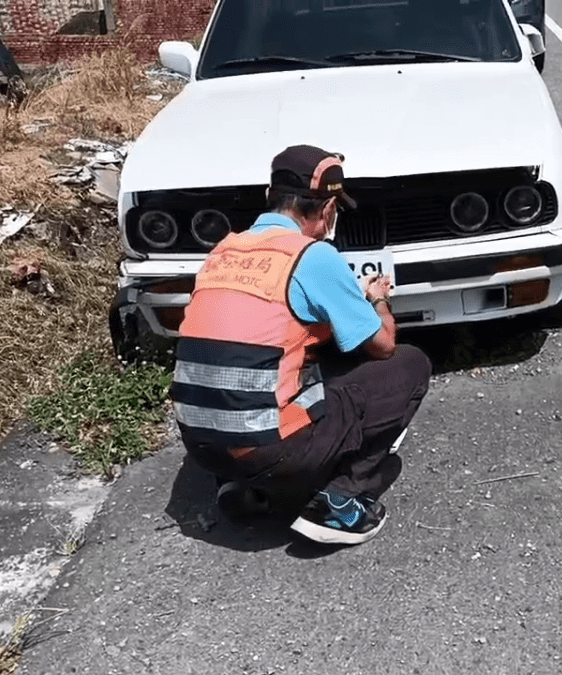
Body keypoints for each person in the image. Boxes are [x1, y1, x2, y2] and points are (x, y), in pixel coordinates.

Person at [169, 144, 432, 546]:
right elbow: (380, 345)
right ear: (327, 210)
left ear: (269, 198)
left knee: (290, 363)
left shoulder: (223, 252)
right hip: (268, 450)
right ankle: (339, 502)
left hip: (201, 447)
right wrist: (377, 299)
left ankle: (244, 488)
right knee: (410, 365)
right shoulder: (312, 256)